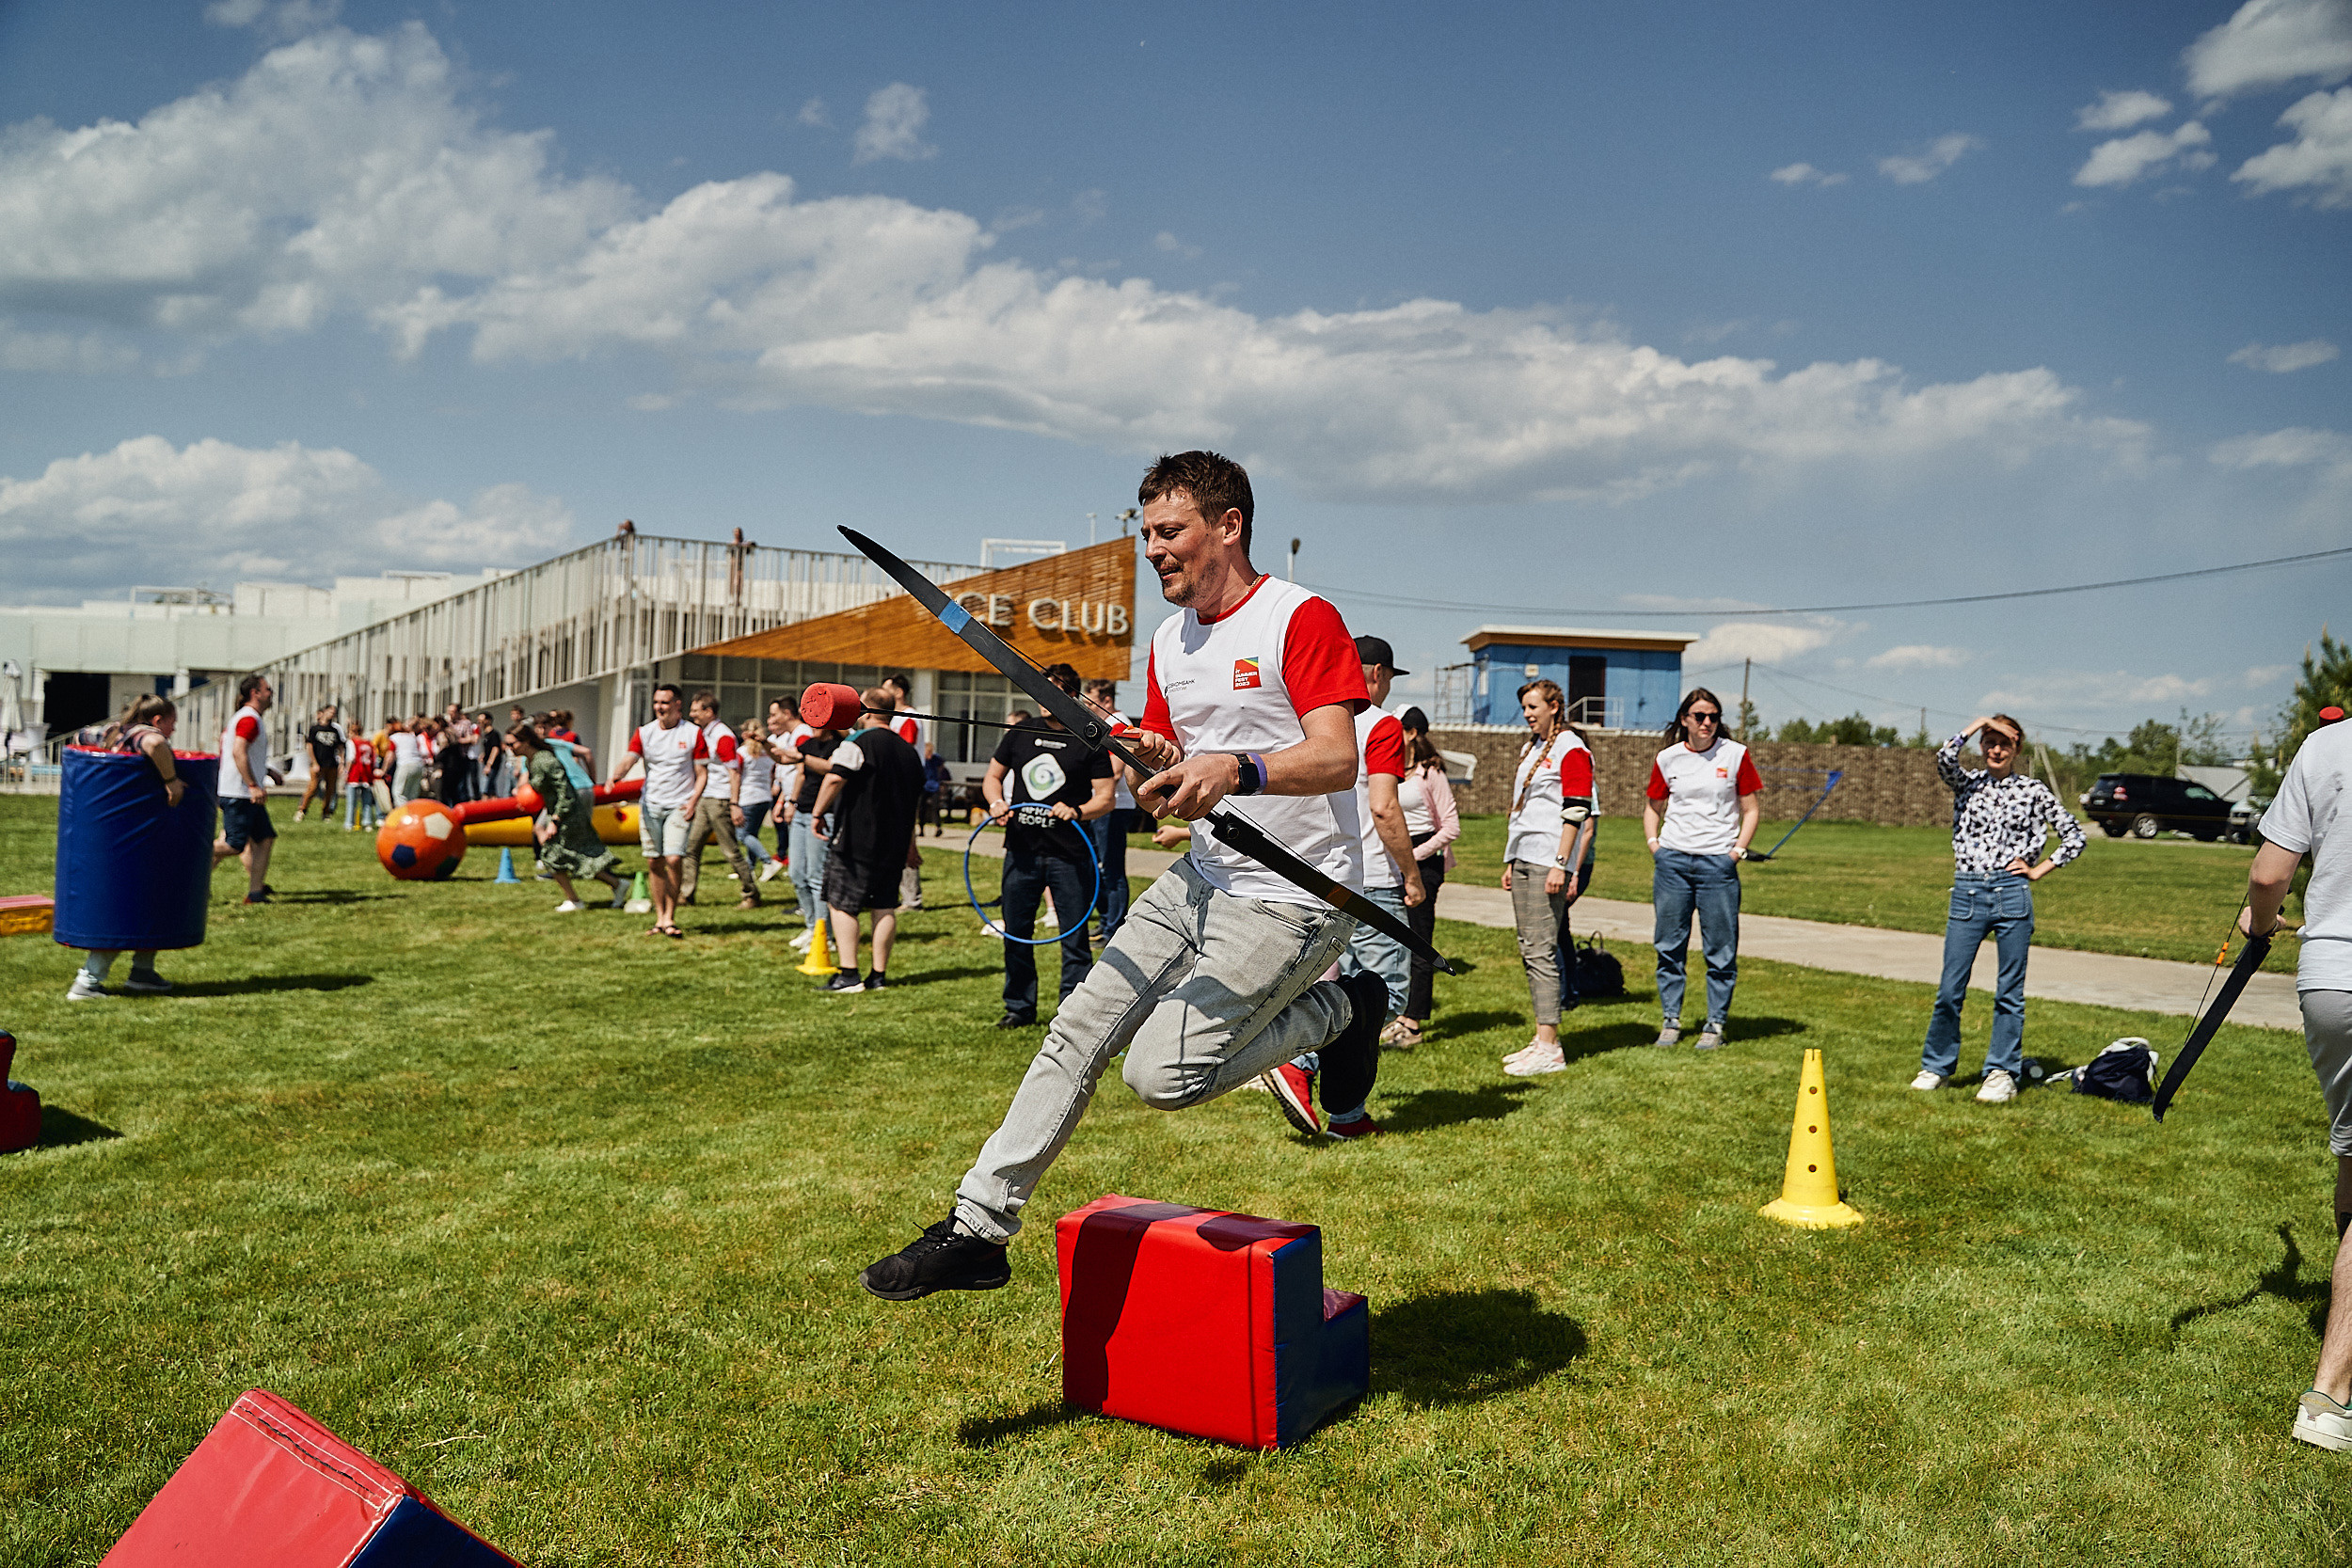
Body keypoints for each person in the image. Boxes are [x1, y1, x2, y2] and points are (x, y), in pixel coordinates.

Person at [859, 450, 1390, 1302]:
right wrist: (1152, 760)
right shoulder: (1169, 640)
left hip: (1295, 894)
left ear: (1229, 526)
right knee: (1075, 1029)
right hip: (1203, 873)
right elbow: (1164, 780)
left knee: (1160, 1075)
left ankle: (1343, 1008)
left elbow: (1335, 757)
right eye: (1146, 533)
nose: (1153, 548)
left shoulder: (1300, 617)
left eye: (1169, 530)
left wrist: (1235, 770)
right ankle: (978, 1226)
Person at [2241, 716, 2352, 1449]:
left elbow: (2269, 874)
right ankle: (2330, 1392)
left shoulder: (2327, 745)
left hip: (2332, 979)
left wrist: (2262, 923)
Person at [1271, 636, 1422, 1137]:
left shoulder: (1306, 723)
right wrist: (1413, 873)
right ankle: (1301, 1062)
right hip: (1372, 879)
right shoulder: (1381, 724)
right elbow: (1384, 807)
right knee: (1388, 997)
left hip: (1318, 878)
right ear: (1376, 673)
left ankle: (1348, 1116)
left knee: (1343, 990)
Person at [1909, 715, 2086, 1102]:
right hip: (1968, 893)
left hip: (2012, 894)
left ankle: (2001, 1072)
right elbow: (1943, 759)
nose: (1996, 750)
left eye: (2005, 743)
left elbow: (2074, 835)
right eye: (1990, 741)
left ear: (2017, 749)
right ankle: (1936, 1067)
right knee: (1950, 989)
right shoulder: (1966, 783)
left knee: (2009, 992)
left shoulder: (2033, 790)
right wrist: (1978, 723)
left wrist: (2039, 870)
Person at [985, 662, 1116, 1028]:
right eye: (1041, 691)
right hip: (1022, 851)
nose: (1045, 701)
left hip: (1069, 854)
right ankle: (1019, 1008)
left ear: (1071, 696)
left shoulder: (1088, 736)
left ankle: (1071, 1015)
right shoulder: (1021, 732)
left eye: (1054, 692)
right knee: (1016, 932)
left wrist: (1077, 810)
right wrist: (996, 803)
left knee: (1074, 937)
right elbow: (993, 777)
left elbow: (1105, 798)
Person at [1642, 689, 1761, 1050]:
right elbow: (1652, 806)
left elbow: (1751, 808)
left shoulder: (1736, 754)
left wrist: (1737, 851)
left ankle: (1715, 1024)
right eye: (1699, 716)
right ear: (1685, 720)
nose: (1707, 723)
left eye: (1713, 716)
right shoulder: (1668, 758)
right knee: (1669, 945)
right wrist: (1655, 846)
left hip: (1717, 866)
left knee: (1721, 949)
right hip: (1673, 862)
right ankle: (1671, 1021)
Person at [1498, 679, 1598, 1077]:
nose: (1527, 714)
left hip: (1547, 859)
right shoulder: (1534, 748)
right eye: (1524, 707)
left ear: (1555, 707)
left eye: (1534, 706)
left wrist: (1562, 863)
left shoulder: (1572, 748)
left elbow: (1577, 810)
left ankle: (1550, 1046)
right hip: (1524, 854)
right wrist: (1510, 860)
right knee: (1529, 947)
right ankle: (1541, 1037)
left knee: (1541, 949)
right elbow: (1523, 808)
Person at [66, 695, 189, 1000]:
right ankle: (87, 983)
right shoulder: (145, 734)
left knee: (150, 900)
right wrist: (171, 780)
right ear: (158, 720)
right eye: (172, 722)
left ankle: (143, 973)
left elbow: (77, 737)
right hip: (129, 836)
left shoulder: (112, 731)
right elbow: (155, 745)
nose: (174, 728)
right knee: (122, 907)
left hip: (123, 831)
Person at [810, 689, 925, 992]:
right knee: (884, 906)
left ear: (868, 712)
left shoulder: (857, 743)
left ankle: (849, 975)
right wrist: (911, 845)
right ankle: (878, 976)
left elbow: (835, 777)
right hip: (895, 843)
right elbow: (912, 803)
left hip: (856, 840)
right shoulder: (910, 752)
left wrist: (817, 812)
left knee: (841, 903)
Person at [610, 683, 708, 939]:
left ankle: (670, 916)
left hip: (680, 804)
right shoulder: (644, 733)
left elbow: (701, 773)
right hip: (651, 804)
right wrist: (615, 778)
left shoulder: (693, 733)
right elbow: (630, 758)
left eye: (664, 702)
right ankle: (660, 917)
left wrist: (694, 800)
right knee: (654, 861)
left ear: (677, 705)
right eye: (656, 702)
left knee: (674, 858)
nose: (659, 707)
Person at [1388, 706, 1460, 1050]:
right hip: (1395, 855)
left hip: (1423, 859)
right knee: (1394, 941)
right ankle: (1396, 1014)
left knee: (1419, 941)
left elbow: (1451, 826)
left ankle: (1414, 1022)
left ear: (1413, 732)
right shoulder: (1392, 769)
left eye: (1395, 728)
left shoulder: (1430, 773)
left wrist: (1412, 857)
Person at [508, 724, 625, 912]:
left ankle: (581, 898)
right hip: (558, 810)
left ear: (525, 742)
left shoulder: (545, 761)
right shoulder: (531, 761)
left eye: (512, 743)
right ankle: (614, 885)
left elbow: (565, 792)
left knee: (557, 855)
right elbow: (540, 790)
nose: (509, 748)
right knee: (566, 855)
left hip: (568, 811)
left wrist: (555, 820)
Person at [678, 691, 761, 911]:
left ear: (709, 711)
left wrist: (734, 804)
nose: (691, 714)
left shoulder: (722, 736)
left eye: (696, 710)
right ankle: (686, 894)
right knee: (691, 848)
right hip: (707, 798)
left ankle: (751, 894)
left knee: (730, 850)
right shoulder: (706, 733)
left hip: (721, 800)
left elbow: (734, 772)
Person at [773, 715, 842, 950]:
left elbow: (830, 768)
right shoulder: (809, 745)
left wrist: (801, 757)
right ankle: (812, 927)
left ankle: (826, 936)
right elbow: (793, 767)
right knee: (796, 874)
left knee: (816, 876)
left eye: (818, 722)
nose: (813, 726)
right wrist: (791, 802)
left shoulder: (839, 746)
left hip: (823, 815)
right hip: (802, 812)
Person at [1082, 677, 1141, 943]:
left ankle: (1114, 929)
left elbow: (1116, 770)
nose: (1085, 707)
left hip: (1115, 806)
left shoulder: (1121, 725)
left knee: (1112, 868)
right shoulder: (1105, 724)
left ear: (1104, 700)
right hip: (1102, 805)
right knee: (1098, 867)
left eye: (1089, 702)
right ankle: (1105, 921)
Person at [211, 673, 278, 905]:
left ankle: (255, 893)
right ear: (255, 693)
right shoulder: (249, 719)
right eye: (268, 689)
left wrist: (268, 771)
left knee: (265, 838)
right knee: (233, 845)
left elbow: (246, 754)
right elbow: (238, 752)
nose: (271, 693)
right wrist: (252, 785)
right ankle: (192, 859)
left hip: (243, 791)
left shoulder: (250, 718)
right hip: (240, 792)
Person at [882, 673, 926, 910]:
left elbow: (903, 750)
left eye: (886, 688)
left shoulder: (907, 717)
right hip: (897, 783)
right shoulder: (897, 718)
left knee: (905, 837)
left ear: (899, 692)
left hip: (904, 784)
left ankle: (912, 899)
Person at [733, 719, 786, 881]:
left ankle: (768, 861)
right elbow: (773, 773)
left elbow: (737, 775)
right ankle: (749, 868)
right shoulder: (767, 752)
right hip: (765, 797)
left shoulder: (741, 752)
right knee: (753, 833)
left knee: (743, 835)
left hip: (748, 797)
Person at [294, 704, 344, 824]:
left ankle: (326, 813)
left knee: (330, 790)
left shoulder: (335, 730)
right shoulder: (315, 729)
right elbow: (309, 746)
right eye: (330, 711)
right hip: (318, 764)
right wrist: (314, 762)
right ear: (324, 712)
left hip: (331, 764)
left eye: (334, 713)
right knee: (313, 788)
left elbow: (341, 746)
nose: (332, 714)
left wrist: (341, 762)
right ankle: (302, 810)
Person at [342, 726, 381, 832]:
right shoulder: (369, 744)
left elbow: (351, 758)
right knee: (367, 801)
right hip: (367, 774)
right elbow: (375, 760)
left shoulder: (352, 742)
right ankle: (367, 823)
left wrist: (346, 772)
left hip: (355, 774)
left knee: (351, 801)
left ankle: (349, 823)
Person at [919, 746, 952, 837]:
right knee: (922, 808)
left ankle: (938, 827)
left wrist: (938, 774)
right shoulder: (921, 758)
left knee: (936, 807)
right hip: (924, 786)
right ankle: (921, 829)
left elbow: (942, 765)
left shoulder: (936, 758)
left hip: (934, 786)